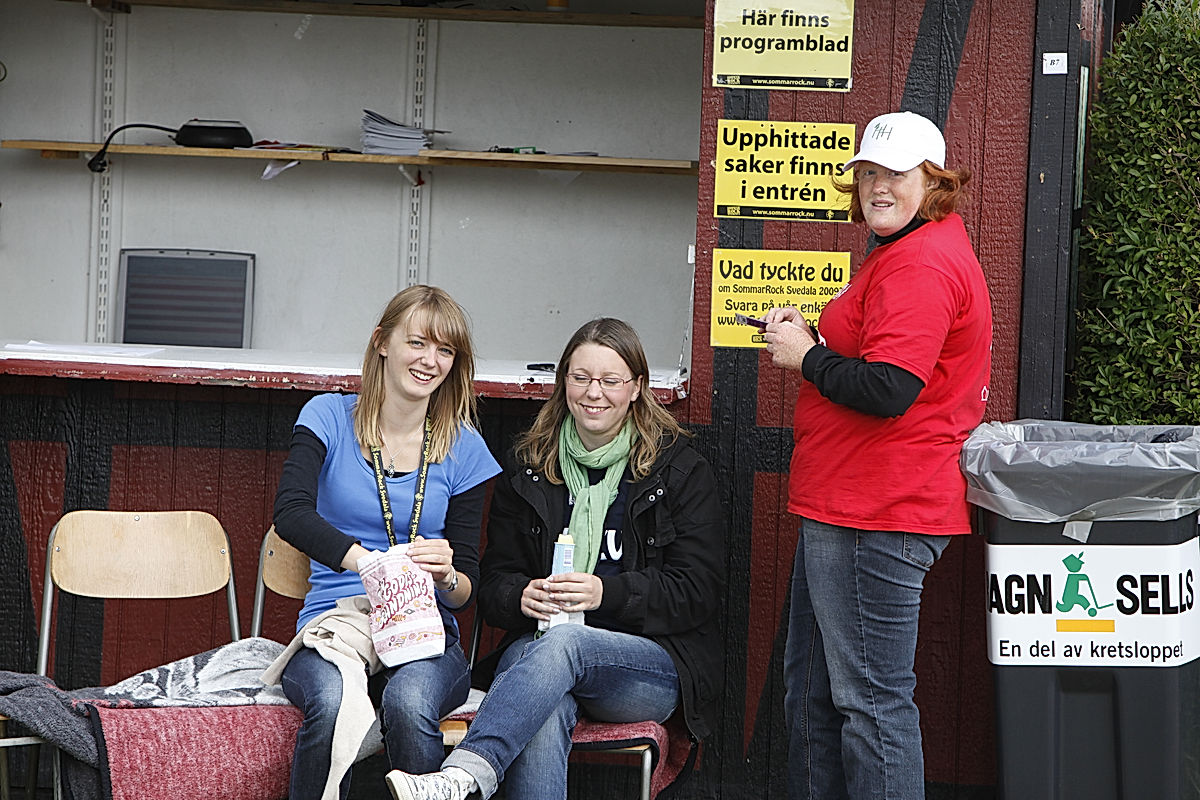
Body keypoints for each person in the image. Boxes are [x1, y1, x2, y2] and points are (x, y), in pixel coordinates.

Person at [385, 318, 725, 800]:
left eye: (610, 380)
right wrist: (520, 596)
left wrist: (606, 593)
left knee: (567, 644)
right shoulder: (530, 468)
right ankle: (465, 776)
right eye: (581, 377)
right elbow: (494, 583)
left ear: (637, 389)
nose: (594, 393)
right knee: (543, 702)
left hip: (650, 666)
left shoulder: (679, 470)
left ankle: (465, 773)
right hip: (543, 656)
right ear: (563, 381)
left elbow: (698, 591)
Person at [762, 111, 992, 800]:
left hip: (879, 509)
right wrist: (816, 343)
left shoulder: (921, 261)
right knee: (817, 693)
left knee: (870, 704)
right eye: (868, 174)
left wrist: (808, 359)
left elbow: (891, 389)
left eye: (896, 173)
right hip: (850, 503)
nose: (877, 187)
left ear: (936, 181)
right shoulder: (911, 249)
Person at [271, 285, 501, 800]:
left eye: (445, 351)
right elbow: (290, 514)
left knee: (410, 700)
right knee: (330, 704)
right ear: (382, 343)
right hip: (336, 622)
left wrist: (447, 574)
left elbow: (466, 588)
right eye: (418, 342)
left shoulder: (464, 446)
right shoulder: (327, 417)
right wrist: (367, 562)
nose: (430, 361)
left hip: (424, 631)